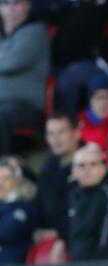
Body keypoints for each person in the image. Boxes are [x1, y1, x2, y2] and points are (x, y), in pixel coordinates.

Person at [0, 0, 49, 155]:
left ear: (27, 5)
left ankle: (3, 168)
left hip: (26, 106)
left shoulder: (35, 32)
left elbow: (11, 63)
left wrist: (5, 56)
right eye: (6, 3)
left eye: (16, 3)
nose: (11, 8)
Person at [67, 143, 108, 261]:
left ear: (103, 168)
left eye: (93, 164)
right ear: (73, 171)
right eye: (81, 166)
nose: (87, 170)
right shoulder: (72, 193)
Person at [34, 113, 81, 264]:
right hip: (46, 241)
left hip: (78, 245)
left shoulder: (89, 166)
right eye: (51, 134)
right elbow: (40, 206)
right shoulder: (47, 169)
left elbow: (86, 213)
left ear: (76, 133)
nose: (56, 139)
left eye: (61, 132)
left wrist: (60, 235)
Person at [0, 157, 36, 266]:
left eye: (6, 178)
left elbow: (8, 231)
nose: (0, 183)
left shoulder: (24, 206)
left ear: (16, 180)